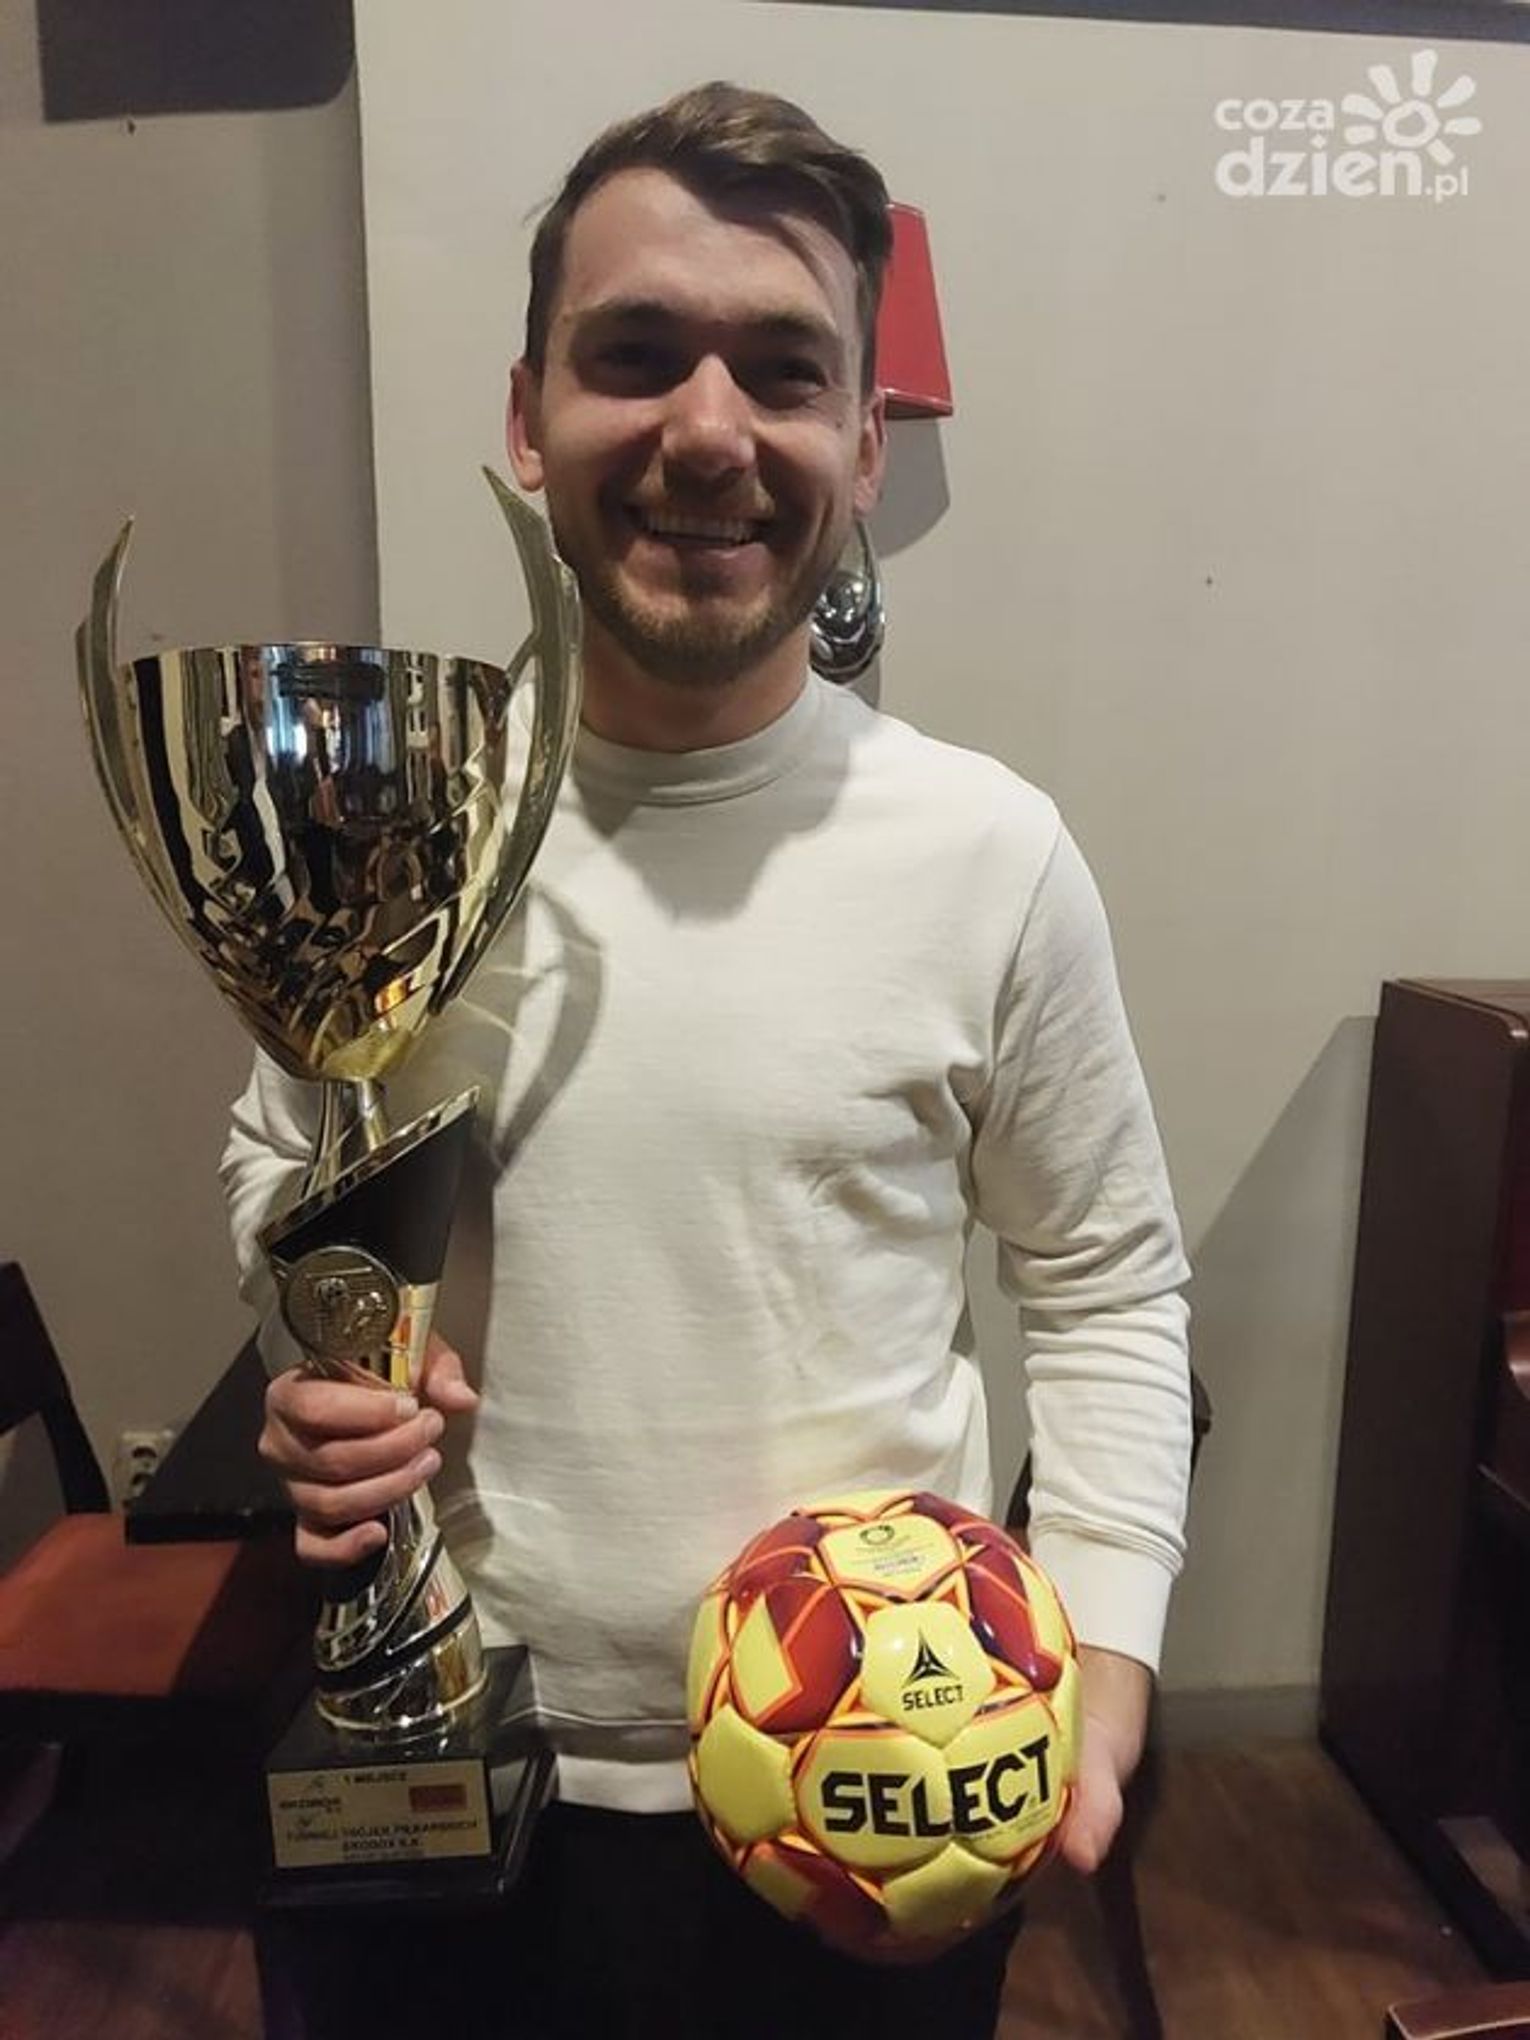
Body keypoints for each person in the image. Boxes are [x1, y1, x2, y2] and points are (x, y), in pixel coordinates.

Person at [228, 79, 1192, 2040]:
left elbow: (1105, 1282)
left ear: (862, 438)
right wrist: (317, 1354)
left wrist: (1104, 1660)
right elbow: (280, 1163)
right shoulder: (391, 836)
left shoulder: (989, 854)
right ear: (528, 416)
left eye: (782, 369)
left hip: (876, 1800)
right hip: (459, 1766)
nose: (705, 429)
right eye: (635, 355)